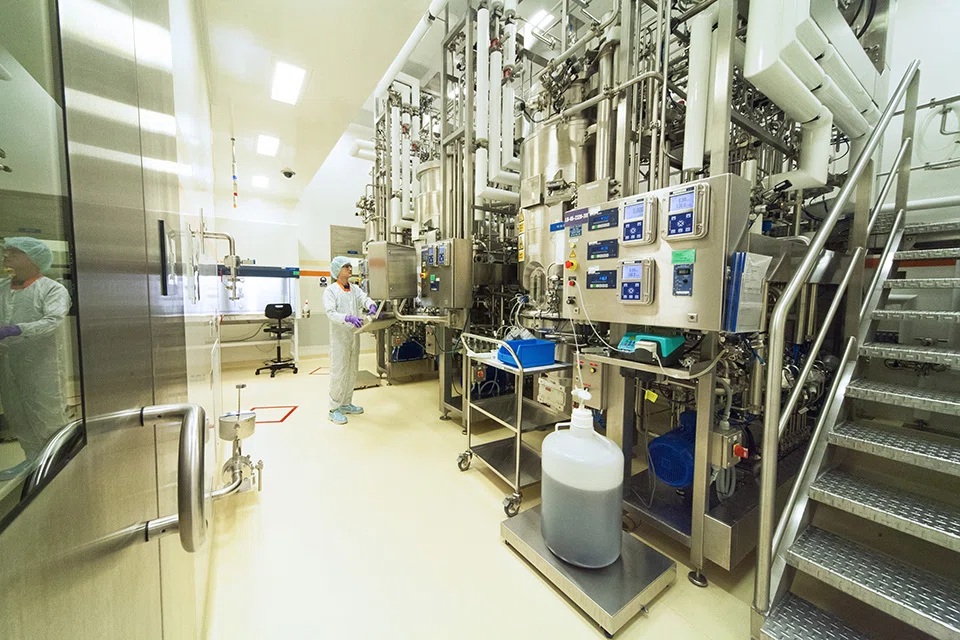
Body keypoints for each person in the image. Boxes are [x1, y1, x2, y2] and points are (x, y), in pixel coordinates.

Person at [0, 237, 71, 475]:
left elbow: (53, 321)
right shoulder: (2, 288)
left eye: (14, 252)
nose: (6, 255)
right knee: (17, 417)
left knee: (48, 417)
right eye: (6, 251)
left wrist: (17, 329)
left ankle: (59, 464)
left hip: (42, 367)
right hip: (8, 366)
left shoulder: (52, 289)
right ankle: (32, 461)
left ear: (32, 259)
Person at [322, 256, 377, 424]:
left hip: (354, 335)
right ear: (337, 270)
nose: (350, 269)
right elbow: (331, 313)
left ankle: (346, 403)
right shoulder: (331, 291)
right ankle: (333, 409)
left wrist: (371, 305)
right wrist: (347, 317)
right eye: (346, 266)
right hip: (339, 337)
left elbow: (364, 298)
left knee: (352, 370)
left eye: (350, 266)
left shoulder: (354, 289)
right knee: (339, 372)